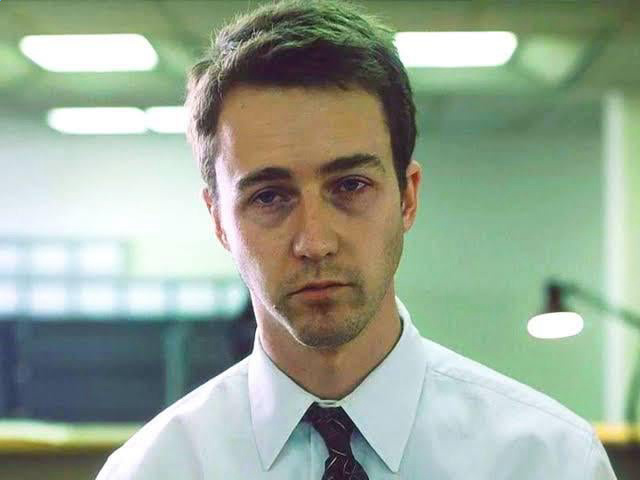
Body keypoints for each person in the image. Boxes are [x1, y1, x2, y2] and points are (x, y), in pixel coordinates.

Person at [96, 1, 617, 478]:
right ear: (218, 222)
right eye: (270, 196)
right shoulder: (151, 471)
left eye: (350, 186)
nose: (315, 241)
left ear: (407, 197)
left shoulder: (549, 462)